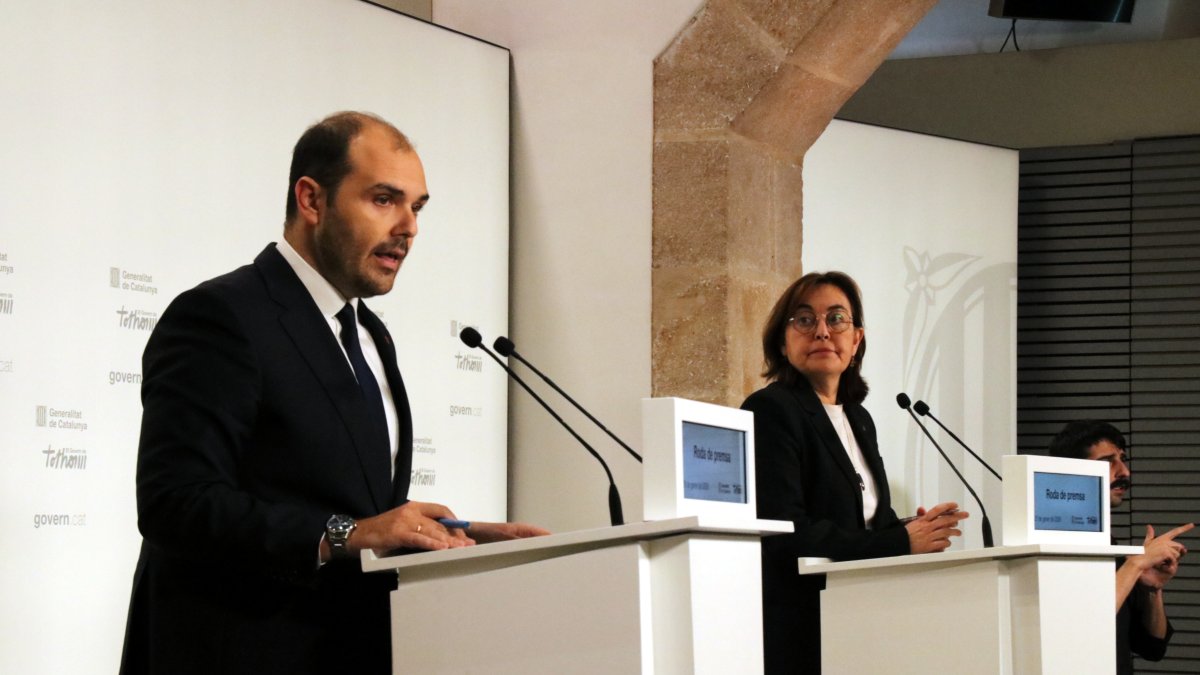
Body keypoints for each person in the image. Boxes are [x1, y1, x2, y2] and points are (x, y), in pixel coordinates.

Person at [119, 111, 548, 675]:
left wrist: (446, 536)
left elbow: (340, 501)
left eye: (416, 207)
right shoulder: (221, 316)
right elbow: (176, 503)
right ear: (312, 200)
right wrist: (349, 533)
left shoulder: (370, 334)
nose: (409, 228)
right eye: (384, 199)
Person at [741, 270, 969, 674]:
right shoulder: (771, 409)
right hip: (803, 622)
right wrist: (899, 541)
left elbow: (860, 521)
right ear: (783, 340)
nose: (823, 332)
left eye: (836, 319)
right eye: (805, 319)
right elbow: (786, 531)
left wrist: (907, 528)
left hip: (861, 616)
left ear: (856, 339)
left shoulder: (859, 419)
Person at [1048, 420, 1193, 674]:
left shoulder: (1110, 548)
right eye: (1107, 463)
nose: (1124, 472)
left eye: (1122, 459)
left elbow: (1152, 647)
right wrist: (1136, 563)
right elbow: (1082, 629)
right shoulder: (1050, 546)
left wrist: (1152, 590)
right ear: (1072, 473)